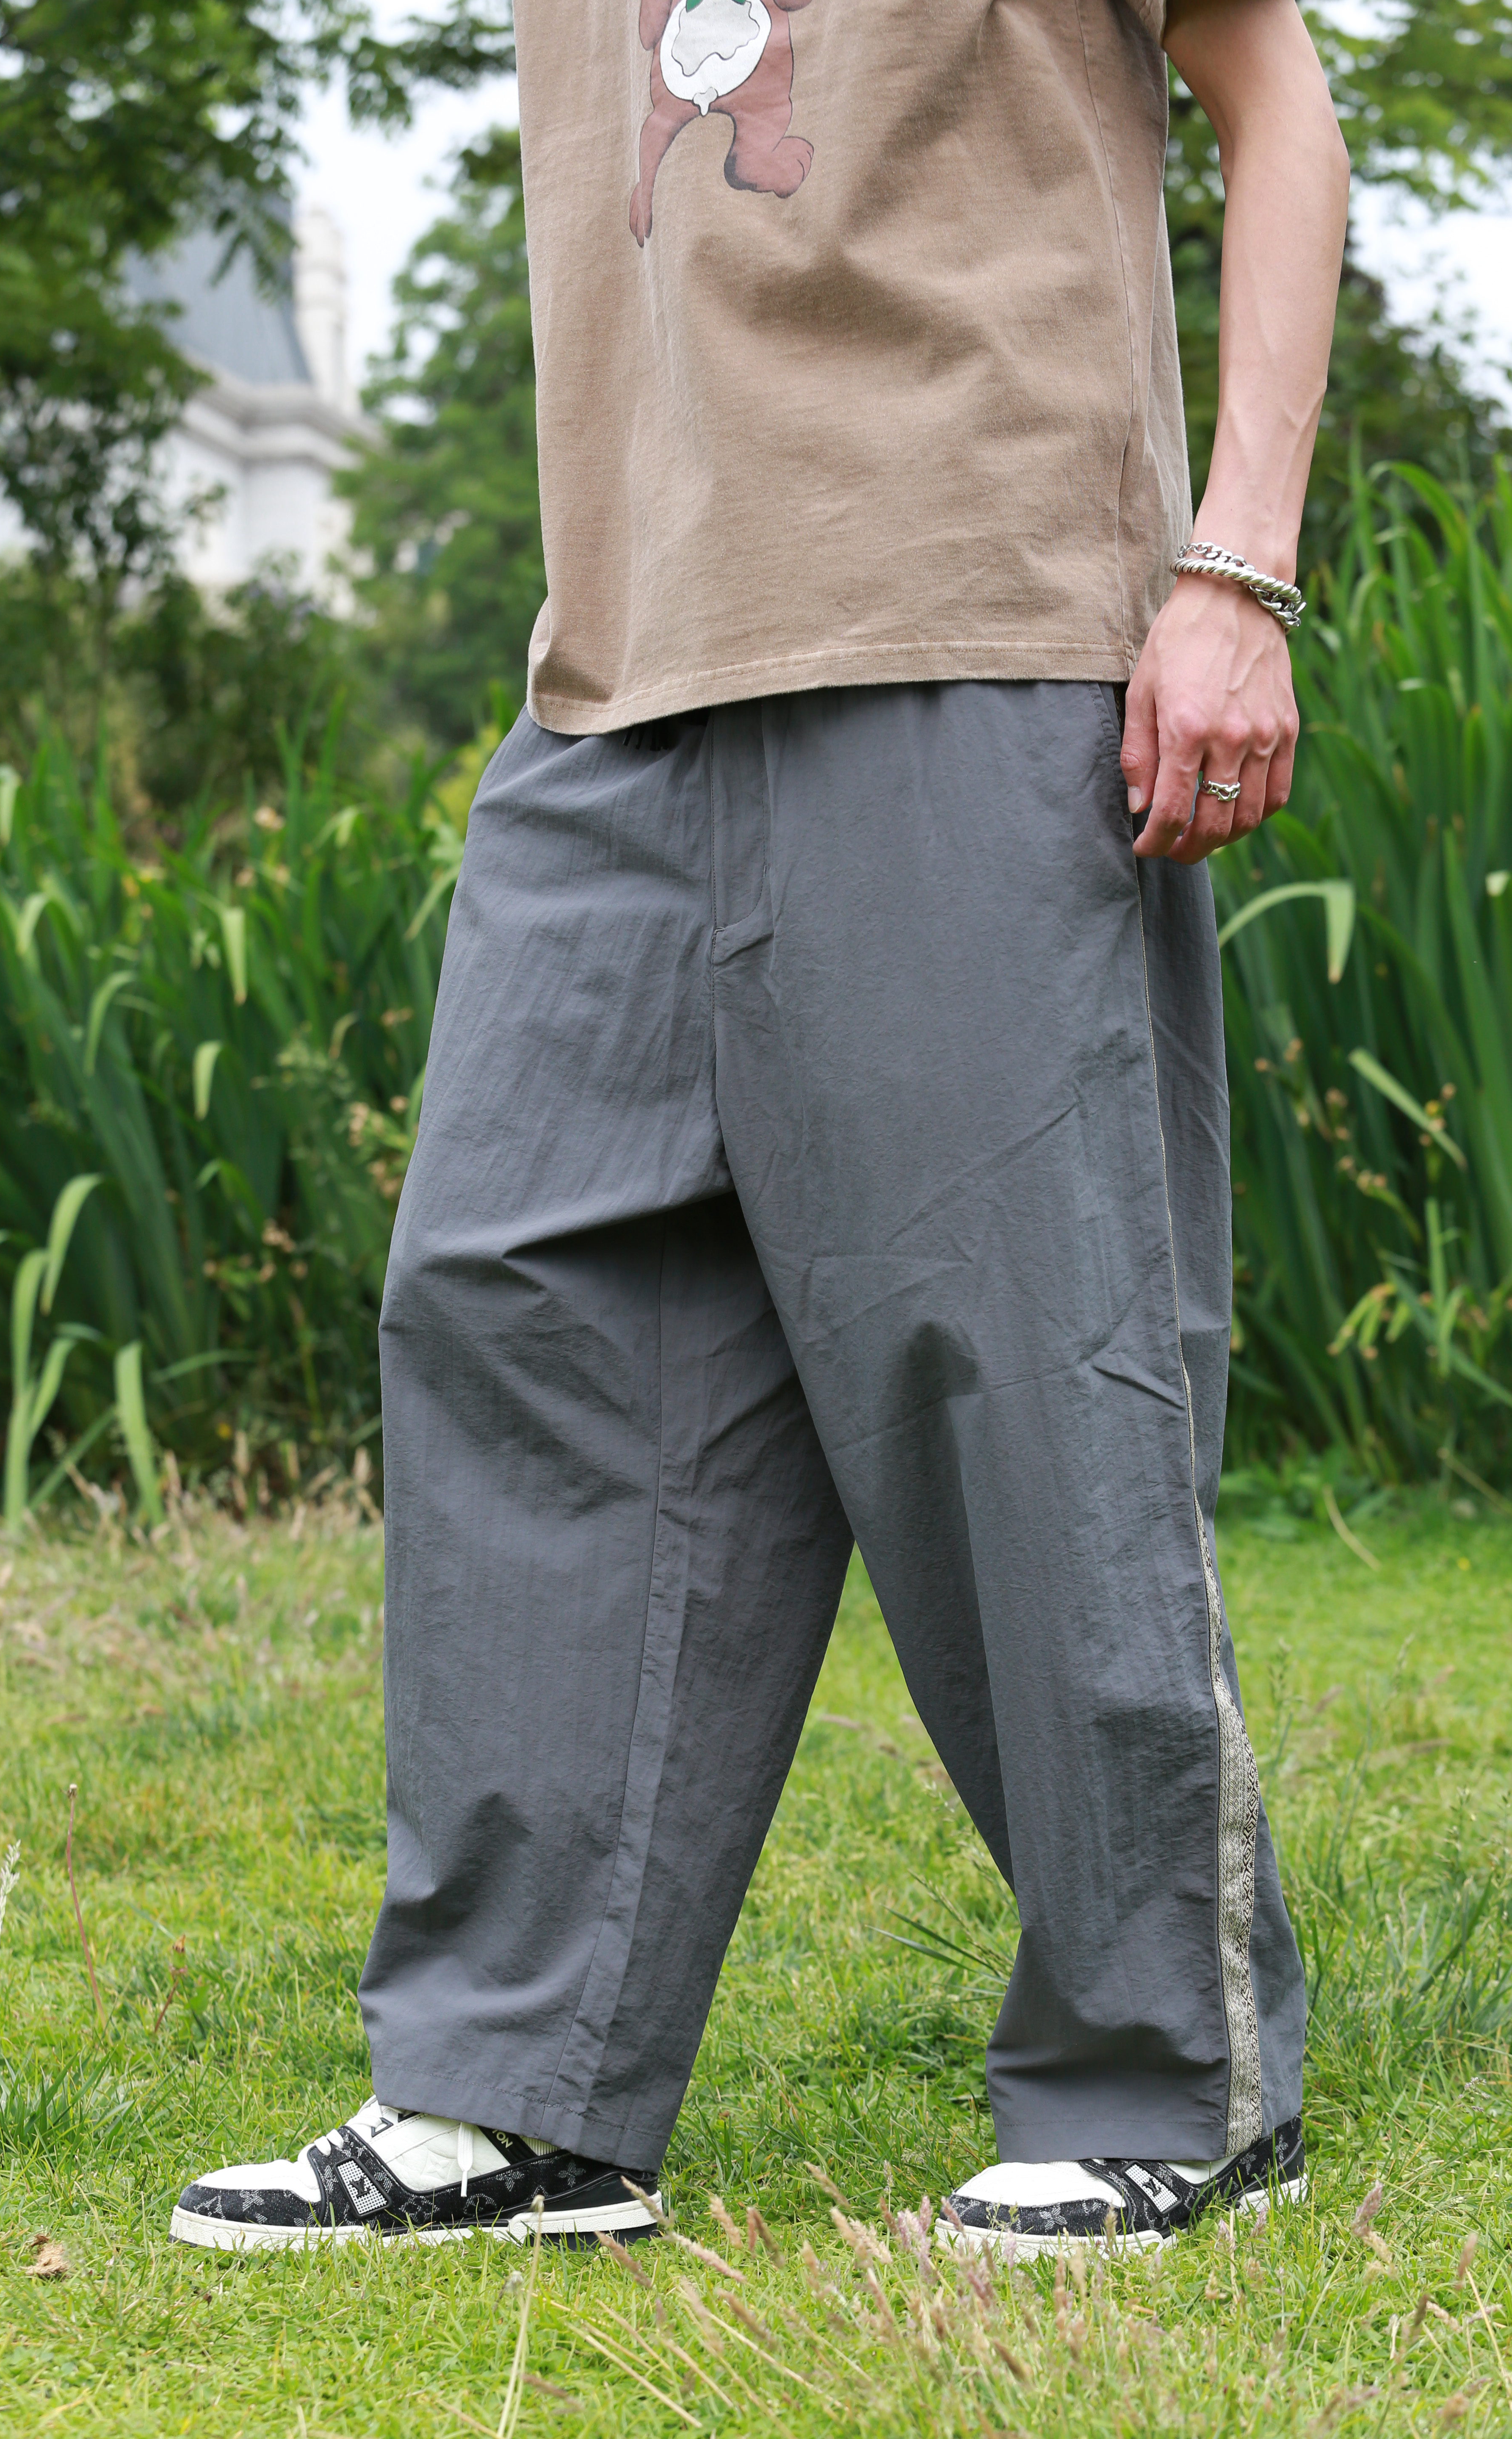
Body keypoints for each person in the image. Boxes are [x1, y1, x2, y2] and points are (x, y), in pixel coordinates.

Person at [171, 0, 1349, 2258]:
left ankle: (1168, 2077)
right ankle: (516, 2088)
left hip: (978, 612)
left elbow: (1273, 87)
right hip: (619, 671)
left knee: (1019, 1362)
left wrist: (1236, 569)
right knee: (517, 1309)